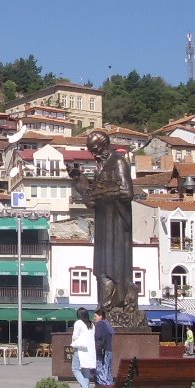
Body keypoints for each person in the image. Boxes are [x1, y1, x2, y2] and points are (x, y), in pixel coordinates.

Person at [69, 131, 142, 326]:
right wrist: (81, 183)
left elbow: (127, 192)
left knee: (110, 268)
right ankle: (104, 307)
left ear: (105, 145)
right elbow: (93, 198)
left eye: (97, 150)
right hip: (103, 225)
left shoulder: (118, 162)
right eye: (92, 152)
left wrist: (101, 194)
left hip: (117, 228)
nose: (94, 155)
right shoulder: (100, 167)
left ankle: (112, 305)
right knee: (101, 268)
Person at [70, 307, 97, 388]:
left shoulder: (78, 323)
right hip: (89, 350)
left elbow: (75, 336)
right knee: (86, 369)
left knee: (75, 368)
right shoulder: (91, 324)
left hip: (80, 348)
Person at [93, 308, 115, 388]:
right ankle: (109, 386)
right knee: (108, 368)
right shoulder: (107, 324)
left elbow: (97, 337)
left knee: (100, 368)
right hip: (108, 349)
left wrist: (97, 347)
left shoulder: (100, 324)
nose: (94, 318)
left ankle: (103, 386)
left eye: (95, 316)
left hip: (102, 350)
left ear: (100, 316)